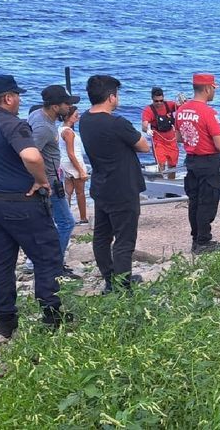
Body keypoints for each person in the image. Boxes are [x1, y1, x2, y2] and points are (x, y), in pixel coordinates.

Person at [0, 75, 73, 337]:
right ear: (7, 98)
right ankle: (52, 314)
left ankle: (6, 320)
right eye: (17, 95)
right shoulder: (12, 124)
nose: (19, 100)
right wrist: (41, 181)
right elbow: (31, 155)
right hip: (20, 202)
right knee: (46, 256)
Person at [80, 75, 149, 293]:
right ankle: (122, 287)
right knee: (124, 240)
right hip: (122, 186)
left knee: (102, 236)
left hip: (101, 185)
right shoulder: (116, 122)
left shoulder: (85, 119)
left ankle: (110, 280)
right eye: (117, 95)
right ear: (111, 97)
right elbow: (143, 146)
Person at [27, 85, 80, 273]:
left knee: (46, 223)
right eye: (67, 104)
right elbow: (31, 154)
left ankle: (38, 262)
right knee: (66, 222)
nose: (69, 108)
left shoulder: (39, 116)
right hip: (48, 181)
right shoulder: (43, 128)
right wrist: (39, 180)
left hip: (50, 178)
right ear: (55, 107)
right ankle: (53, 264)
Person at [175, 74, 220, 254]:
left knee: (194, 201)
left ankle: (196, 238)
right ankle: (204, 241)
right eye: (213, 88)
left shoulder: (181, 110)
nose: (214, 92)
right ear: (207, 88)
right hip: (209, 160)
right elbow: (219, 144)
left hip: (191, 160)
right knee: (208, 201)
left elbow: (179, 138)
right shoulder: (208, 112)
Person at [58, 105, 89, 224]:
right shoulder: (68, 132)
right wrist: (80, 170)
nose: (78, 117)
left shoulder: (60, 129)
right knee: (80, 192)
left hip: (64, 162)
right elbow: (71, 153)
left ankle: (66, 217)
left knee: (68, 191)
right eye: (76, 115)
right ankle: (83, 218)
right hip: (73, 162)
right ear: (68, 117)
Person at [142, 87, 179, 180]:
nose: (159, 103)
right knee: (161, 163)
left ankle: (171, 184)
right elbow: (144, 125)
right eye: (156, 101)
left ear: (164, 98)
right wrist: (147, 130)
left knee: (173, 164)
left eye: (161, 100)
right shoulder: (148, 110)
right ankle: (162, 183)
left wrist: (184, 102)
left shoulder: (169, 105)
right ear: (152, 99)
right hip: (158, 140)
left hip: (171, 139)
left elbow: (182, 107)